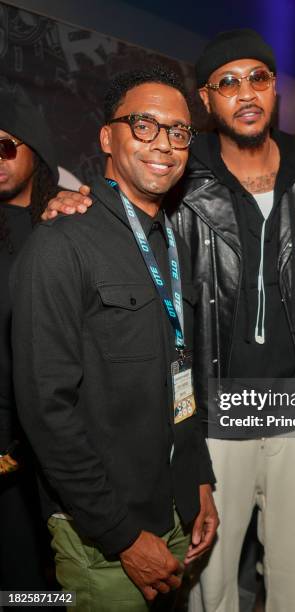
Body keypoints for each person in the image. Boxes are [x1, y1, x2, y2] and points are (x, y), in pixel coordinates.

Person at [44, 29, 295, 612]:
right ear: (207, 101)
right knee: (208, 583)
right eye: (227, 82)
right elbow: (125, 201)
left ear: (274, 90)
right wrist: (76, 197)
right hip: (216, 405)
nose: (245, 93)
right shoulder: (182, 171)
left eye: (258, 78)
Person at [11, 67, 218, 612]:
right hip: (105, 537)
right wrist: (122, 534)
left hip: (174, 511)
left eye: (178, 131)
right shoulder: (60, 246)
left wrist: (198, 480)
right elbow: (45, 411)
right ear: (107, 137)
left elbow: (183, 374)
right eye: (144, 125)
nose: (164, 144)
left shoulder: (173, 244)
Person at [0, 89, 59, 597]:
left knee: (42, 585)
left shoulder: (65, 224)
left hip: (48, 443)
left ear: (34, 150)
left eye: (5, 147)